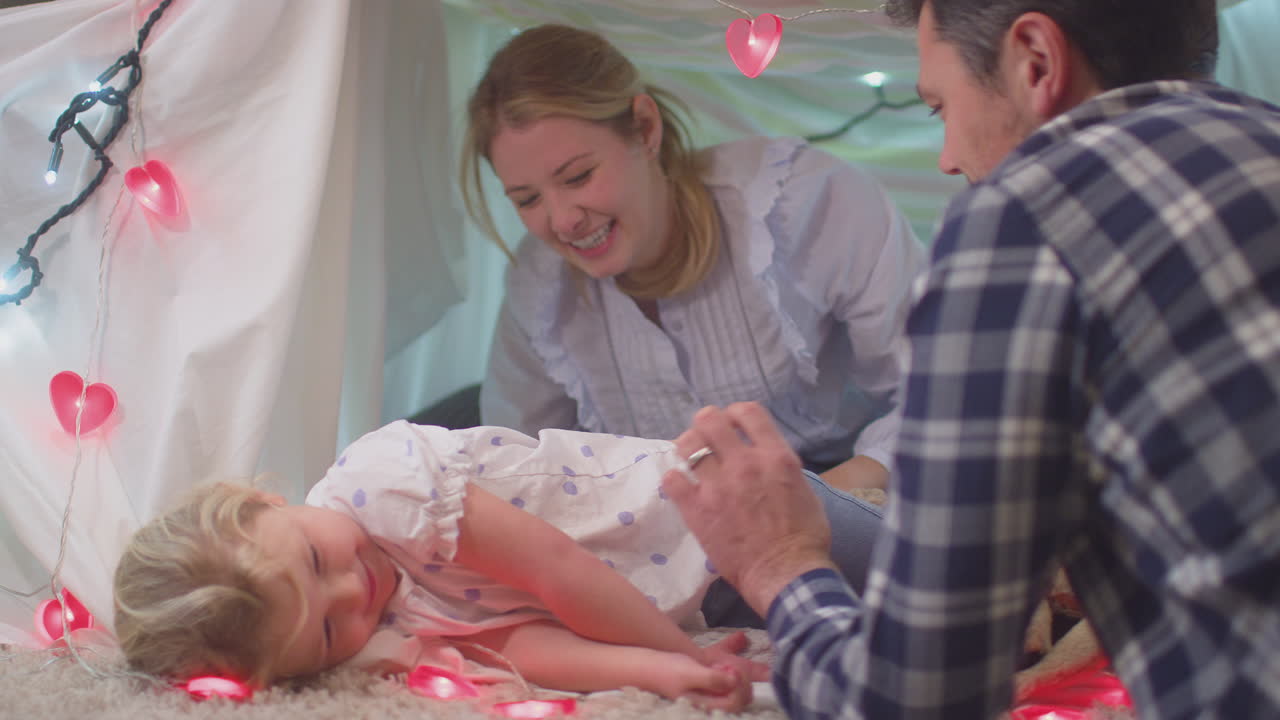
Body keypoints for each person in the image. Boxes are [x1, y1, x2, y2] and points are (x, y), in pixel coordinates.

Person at [661, 1, 1280, 719]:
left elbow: (910, 698)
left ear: (1036, 61)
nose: (948, 158)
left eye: (939, 107)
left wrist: (781, 565)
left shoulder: (1022, 218)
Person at [463, 23, 925, 495]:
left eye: (578, 176)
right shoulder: (539, 286)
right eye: (526, 200)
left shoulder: (805, 202)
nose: (562, 222)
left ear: (645, 128)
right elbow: (515, 465)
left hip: (849, 487)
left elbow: (936, 391)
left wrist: (825, 504)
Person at [113, 420, 773, 709]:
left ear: (263, 500)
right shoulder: (377, 633)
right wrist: (663, 669)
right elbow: (519, 644)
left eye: (316, 561)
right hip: (693, 594)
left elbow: (556, 568)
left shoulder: (384, 488)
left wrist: (681, 652)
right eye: (324, 632)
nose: (353, 591)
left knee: (861, 569)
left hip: (710, 504)